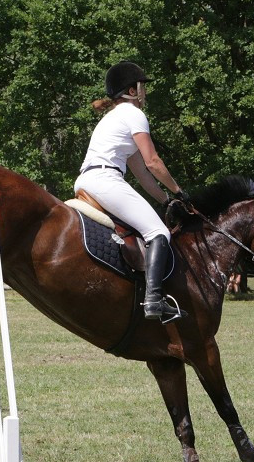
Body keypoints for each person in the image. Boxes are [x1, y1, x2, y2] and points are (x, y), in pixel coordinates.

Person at [73, 60, 190, 322]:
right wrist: (180, 191)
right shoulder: (134, 114)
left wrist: (166, 200)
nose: (144, 92)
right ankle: (154, 300)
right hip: (106, 179)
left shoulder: (113, 117)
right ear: (132, 91)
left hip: (87, 178)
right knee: (158, 232)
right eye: (141, 87)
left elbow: (141, 172)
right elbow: (153, 163)